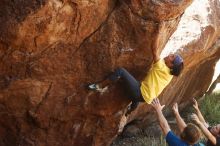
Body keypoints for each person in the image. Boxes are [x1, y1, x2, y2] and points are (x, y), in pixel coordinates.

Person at [88, 28, 184, 114]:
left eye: (172, 57)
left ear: (171, 65)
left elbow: (154, 50)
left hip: (140, 92)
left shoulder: (161, 67)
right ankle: (129, 111)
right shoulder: (170, 74)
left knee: (121, 71)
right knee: (136, 96)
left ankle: (100, 86)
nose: (170, 55)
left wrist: (158, 33)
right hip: (146, 97)